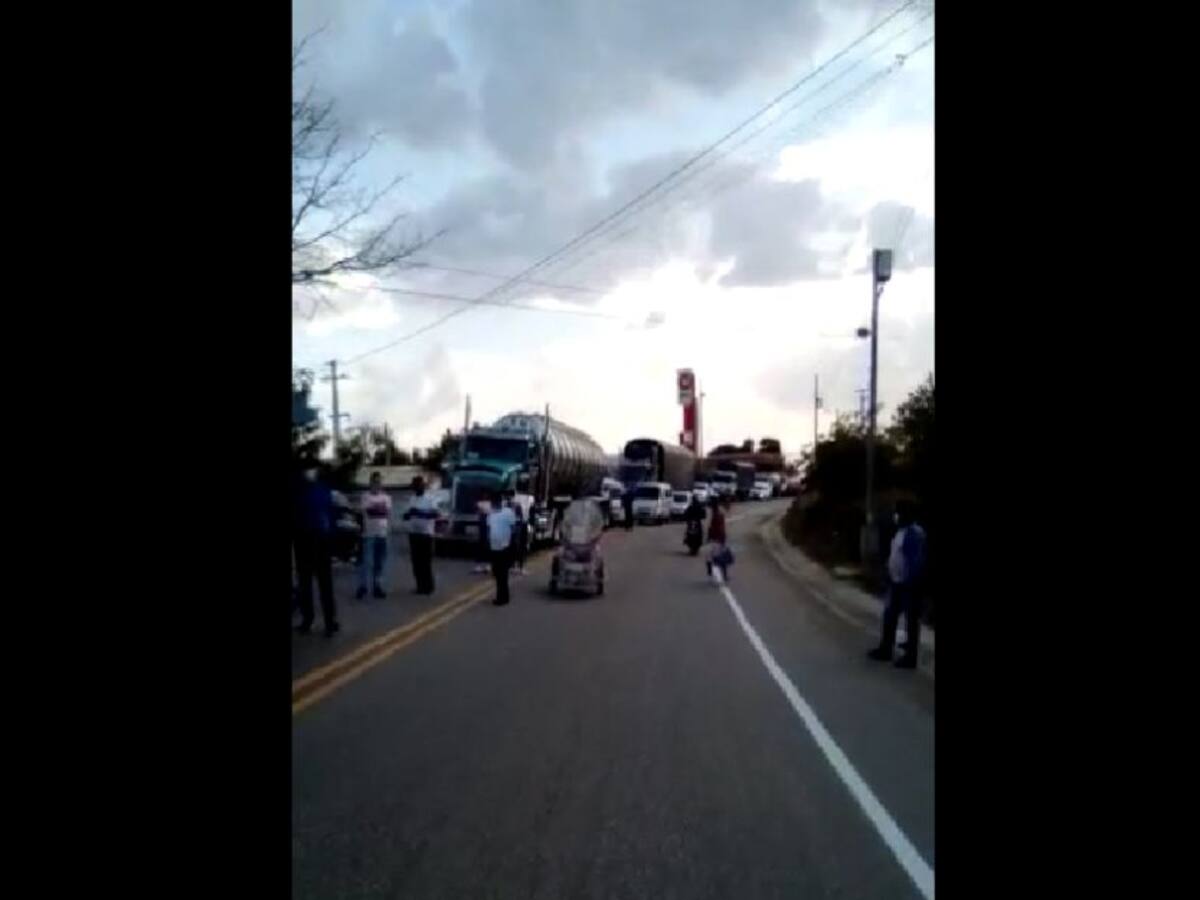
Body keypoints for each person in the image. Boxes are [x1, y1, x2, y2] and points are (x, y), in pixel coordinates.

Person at [869, 500, 928, 669]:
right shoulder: (901, 531)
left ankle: (910, 657)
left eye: (898, 513)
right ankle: (886, 649)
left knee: (910, 620)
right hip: (897, 582)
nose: (896, 516)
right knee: (890, 615)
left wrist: (911, 581)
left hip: (909, 584)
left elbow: (916, 561)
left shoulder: (914, 534)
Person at [294, 460, 339, 637]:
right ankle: (308, 619)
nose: (310, 472)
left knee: (325, 584)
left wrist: (332, 538)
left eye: (312, 469)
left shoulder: (323, 489)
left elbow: (331, 513)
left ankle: (330, 621)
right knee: (305, 583)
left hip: (321, 540)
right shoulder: (298, 490)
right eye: (308, 470)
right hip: (304, 540)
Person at [357, 472, 393, 600]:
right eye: (374, 482)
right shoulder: (365, 497)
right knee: (366, 562)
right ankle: (363, 586)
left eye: (379, 482)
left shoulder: (387, 498)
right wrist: (378, 510)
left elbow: (386, 513)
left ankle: (377, 586)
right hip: (368, 534)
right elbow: (368, 512)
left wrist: (376, 511)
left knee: (380, 563)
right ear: (370, 483)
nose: (377, 485)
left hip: (382, 534)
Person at [401, 476, 438, 595]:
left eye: (419, 486)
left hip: (426, 533)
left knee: (425, 561)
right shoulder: (412, 499)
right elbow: (406, 515)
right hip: (414, 533)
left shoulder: (430, 498)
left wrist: (420, 513)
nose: (417, 488)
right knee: (416, 562)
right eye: (415, 486)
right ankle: (420, 586)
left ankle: (428, 586)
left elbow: (435, 514)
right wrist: (408, 514)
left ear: (423, 486)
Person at [486, 491, 517, 605]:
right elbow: (489, 531)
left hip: (505, 547)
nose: (494, 504)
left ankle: (502, 598)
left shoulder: (508, 512)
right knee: (496, 573)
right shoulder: (491, 515)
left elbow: (513, 529)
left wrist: (512, 544)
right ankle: (503, 596)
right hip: (494, 547)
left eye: (496, 502)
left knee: (502, 574)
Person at [705, 496, 731, 583]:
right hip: (718, 538)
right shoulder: (717, 513)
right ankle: (721, 575)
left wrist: (710, 537)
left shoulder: (717, 514)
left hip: (717, 539)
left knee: (715, 558)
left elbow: (717, 528)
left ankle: (717, 574)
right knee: (717, 557)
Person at [507, 491, 529, 576]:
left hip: (516, 528)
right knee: (517, 547)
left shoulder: (514, 505)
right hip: (517, 528)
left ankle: (515, 566)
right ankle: (516, 567)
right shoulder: (514, 505)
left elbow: (521, 517)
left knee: (515, 547)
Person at [473, 496, 492, 574]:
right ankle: (479, 565)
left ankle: (488, 565)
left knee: (487, 546)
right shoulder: (479, 503)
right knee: (481, 546)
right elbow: (476, 510)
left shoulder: (490, 504)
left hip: (487, 527)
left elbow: (491, 512)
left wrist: (484, 511)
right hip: (482, 527)